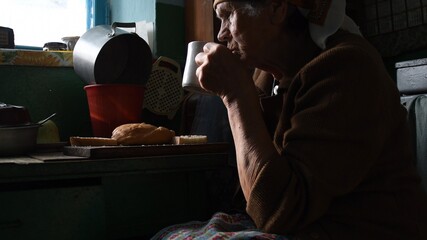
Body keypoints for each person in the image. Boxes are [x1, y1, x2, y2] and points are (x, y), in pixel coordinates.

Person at [151, 0, 427, 239]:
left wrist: (235, 95)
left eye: (228, 14)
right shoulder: (268, 74)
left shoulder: (346, 67)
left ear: (276, 8)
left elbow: (276, 210)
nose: (221, 34)